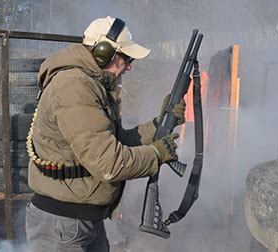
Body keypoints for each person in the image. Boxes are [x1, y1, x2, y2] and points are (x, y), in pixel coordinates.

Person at [25, 16, 186, 251]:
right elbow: (109, 163)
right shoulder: (75, 87)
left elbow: (116, 143)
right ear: (104, 52)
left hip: (81, 219)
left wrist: (159, 124)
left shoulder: (91, 84)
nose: (129, 65)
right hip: (63, 224)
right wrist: (156, 155)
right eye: (126, 57)